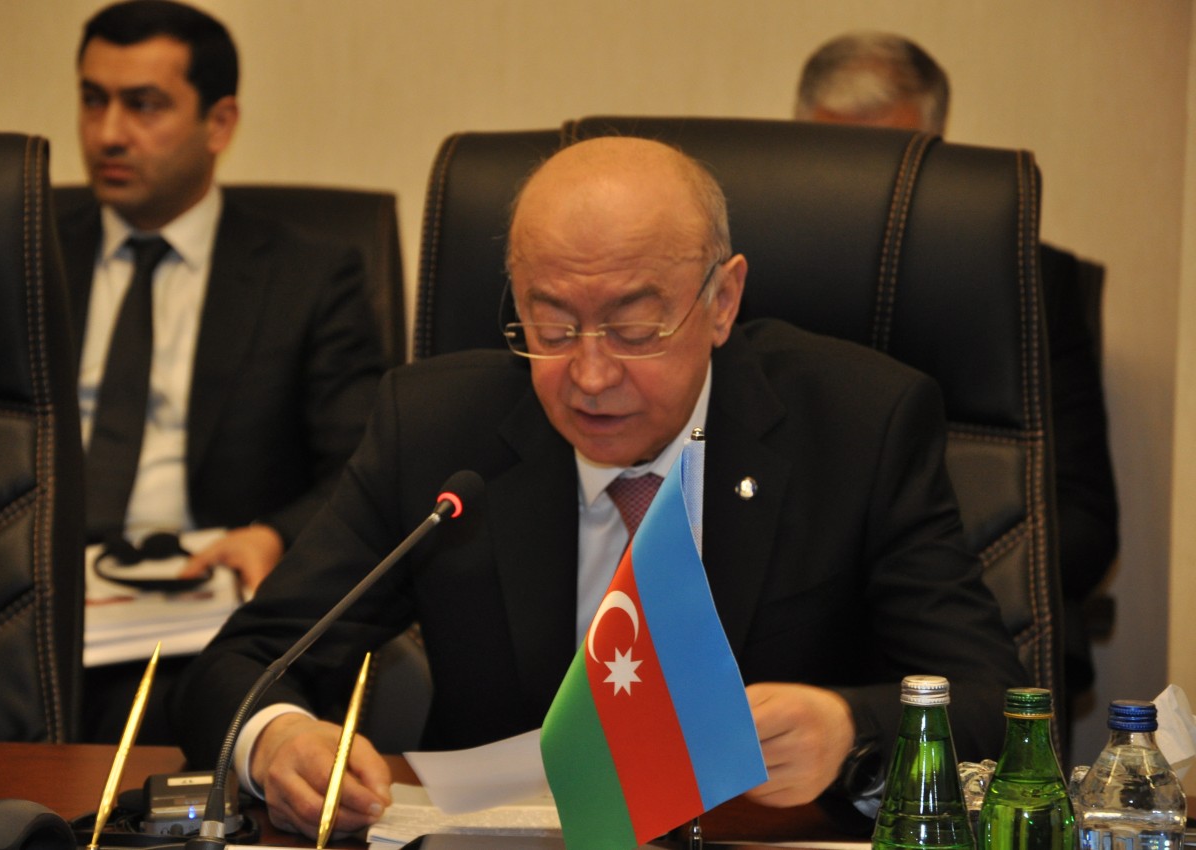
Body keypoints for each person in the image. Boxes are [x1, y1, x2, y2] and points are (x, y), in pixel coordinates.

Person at [172, 136, 1027, 839]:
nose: (588, 375)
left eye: (634, 327)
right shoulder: (434, 430)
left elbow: (998, 703)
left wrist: (850, 729)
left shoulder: (859, 424)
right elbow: (241, 663)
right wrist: (277, 739)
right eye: (550, 326)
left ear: (722, 301)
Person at [60, 0, 385, 742]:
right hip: (37, 612)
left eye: (144, 105)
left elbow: (363, 465)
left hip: (201, 622)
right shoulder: (23, 256)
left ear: (220, 123)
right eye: (93, 100)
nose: (108, 133)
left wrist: (272, 534)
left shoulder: (308, 276)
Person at [795, 30, 1120, 699]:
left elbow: (1085, 522)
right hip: (793, 639)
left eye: (885, 160)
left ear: (936, 150)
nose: (861, 185)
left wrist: (927, 586)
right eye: (837, 155)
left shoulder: (1028, 282)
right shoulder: (757, 281)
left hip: (963, 631)